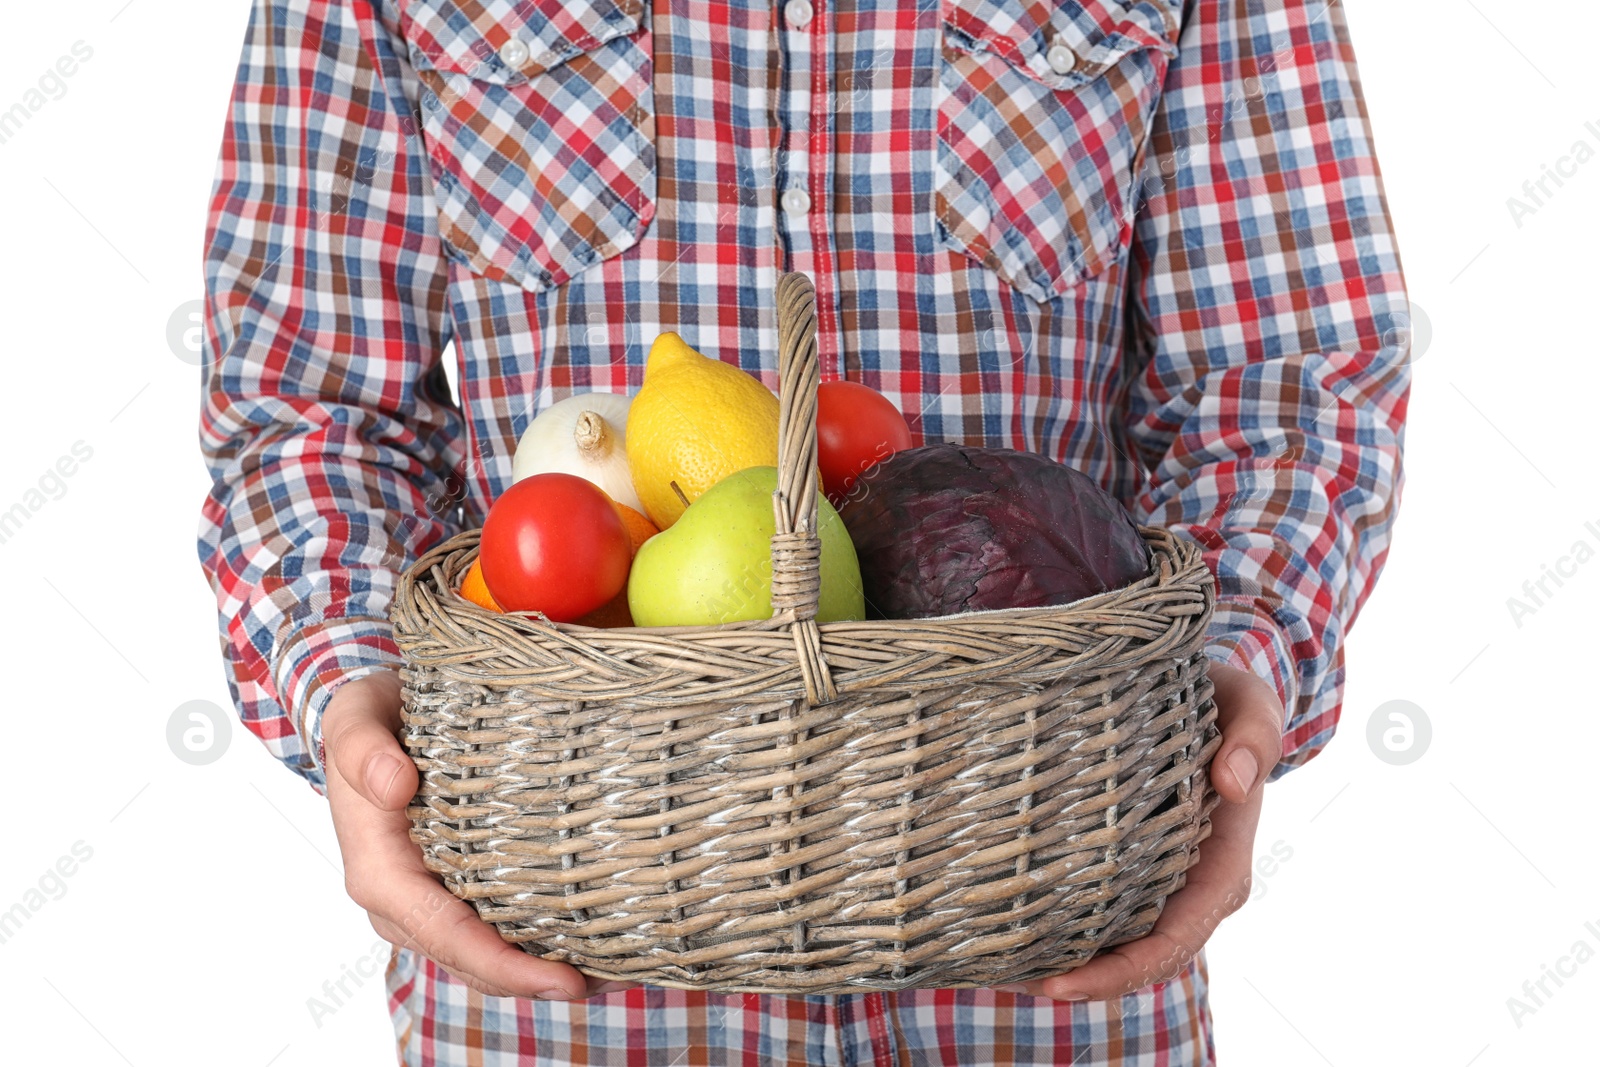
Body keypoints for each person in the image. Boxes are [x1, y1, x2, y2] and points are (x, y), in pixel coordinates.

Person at [197, 0, 1408, 1062]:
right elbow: (313, 405)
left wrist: (1229, 678)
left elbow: (1283, 384)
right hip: (561, 967)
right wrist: (351, 696)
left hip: (1043, 932)